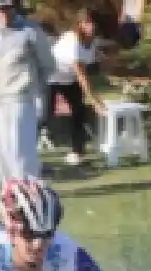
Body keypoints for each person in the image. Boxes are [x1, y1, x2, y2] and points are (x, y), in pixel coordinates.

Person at [0, 0, 56, 186]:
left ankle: (30, 191)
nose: (4, 13)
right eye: (0, 9)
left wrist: (36, 91)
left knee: (22, 151)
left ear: (14, 8)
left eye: (7, 8)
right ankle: (9, 193)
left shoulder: (30, 31)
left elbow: (48, 65)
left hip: (21, 98)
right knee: (3, 151)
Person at [41, 10, 105, 166]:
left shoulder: (92, 41)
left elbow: (98, 58)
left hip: (68, 78)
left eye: (93, 22)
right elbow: (81, 75)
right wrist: (95, 101)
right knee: (44, 115)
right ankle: (30, 155)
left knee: (79, 112)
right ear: (79, 24)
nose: (91, 26)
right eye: (87, 22)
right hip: (51, 78)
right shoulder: (73, 41)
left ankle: (77, 152)